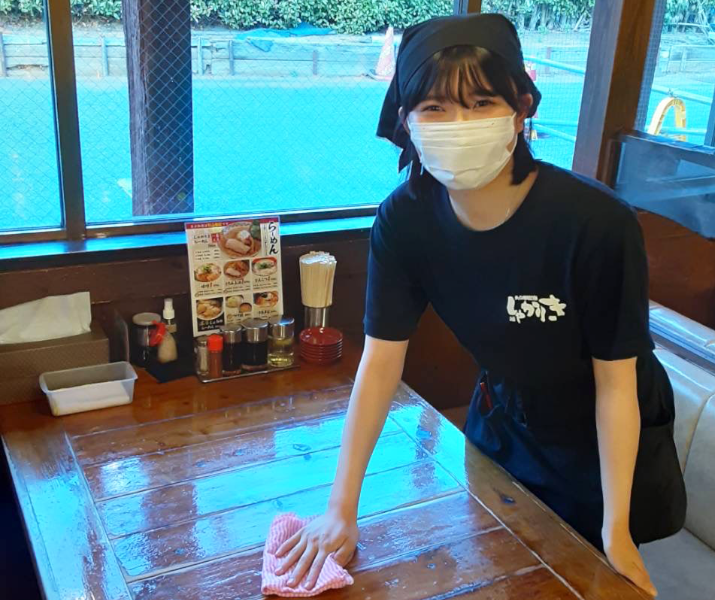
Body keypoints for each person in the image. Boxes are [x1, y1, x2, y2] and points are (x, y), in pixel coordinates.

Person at [275, 13, 686, 596]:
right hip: (502, 422)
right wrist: (341, 508)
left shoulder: (596, 224)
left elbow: (617, 384)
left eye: (482, 103)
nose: (459, 124)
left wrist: (615, 530)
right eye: (435, 108)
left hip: (606, 445)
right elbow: (381, 362)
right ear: (406, 121)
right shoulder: (405, 221)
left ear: (521, 109)